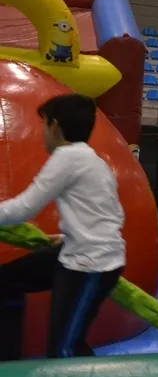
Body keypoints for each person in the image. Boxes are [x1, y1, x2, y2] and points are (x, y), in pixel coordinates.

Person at [0, 94, 126, 361]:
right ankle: (8, 363)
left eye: (43, 125)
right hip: (77, 252)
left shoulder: (68, 157)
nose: (42, 133)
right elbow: (112, 213)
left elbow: (24, 208)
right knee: (5, 280)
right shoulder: (93, 160)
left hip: (91, 264)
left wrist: (83, 239)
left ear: (55, 126)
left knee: (65, 350)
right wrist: (72, 234)